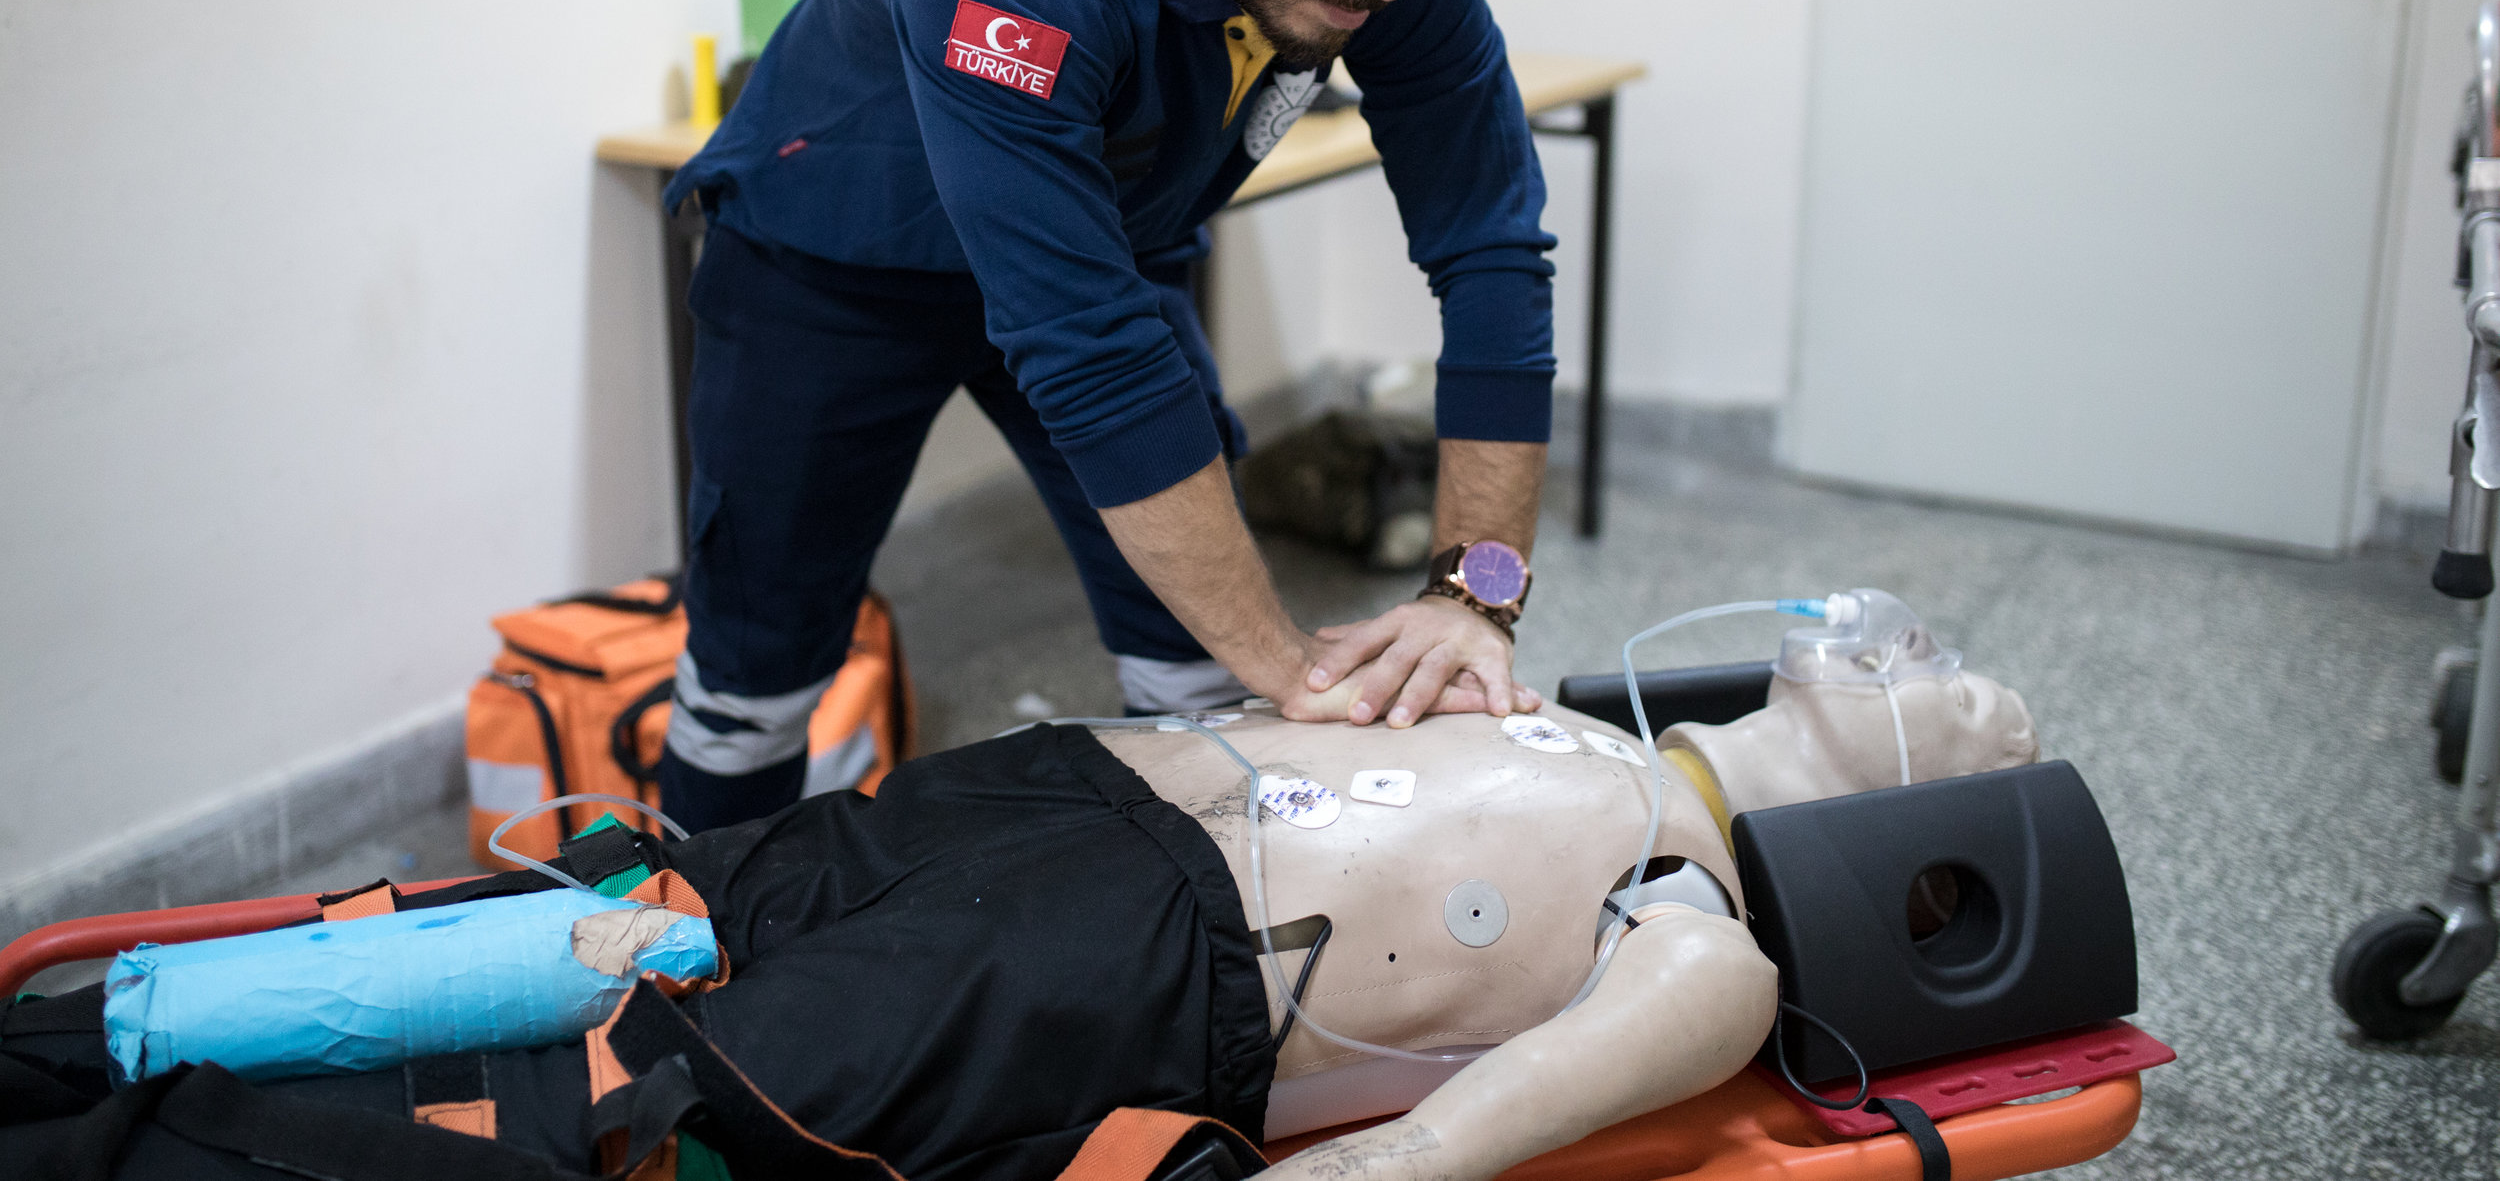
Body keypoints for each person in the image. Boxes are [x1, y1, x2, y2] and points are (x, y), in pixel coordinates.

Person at [0, 614, 2040, 1181]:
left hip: (1128, 965)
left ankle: (119, 1144)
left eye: (1952, 694)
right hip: (1044, 800)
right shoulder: (1580, 716)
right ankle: (95, 1027)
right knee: (624, 925)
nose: (1921, 654)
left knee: (642, 1081)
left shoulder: (1703, 931)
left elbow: (1421, 1156)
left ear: (1928, 820)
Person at [653, 0, 1560, 832]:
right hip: (835, 261)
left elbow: (1494, 248)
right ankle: (705, 961)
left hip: (1108, 250)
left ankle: (1209, 954)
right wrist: (1289, 667)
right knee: (756, 679)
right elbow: (1084, 351)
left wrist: (1477, 592)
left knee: (1199, 683)